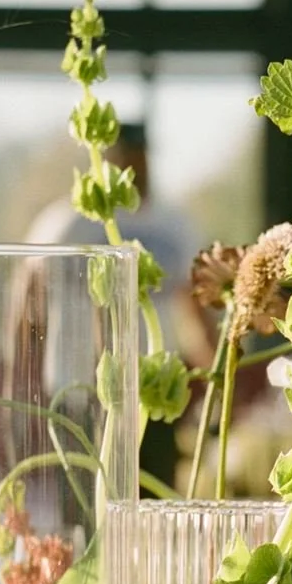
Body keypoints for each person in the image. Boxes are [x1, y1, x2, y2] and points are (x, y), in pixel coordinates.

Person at [28, 124, 200, 489]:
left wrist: (212, 366)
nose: (135, 169)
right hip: (79, 385)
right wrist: (23, 365)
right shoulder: (68, 222)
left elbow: (192, 301)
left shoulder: (172, 224)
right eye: (124, 159)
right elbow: (28, 289)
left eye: (140, 159)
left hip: (150, 389)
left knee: (151, 496)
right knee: (83, 501)